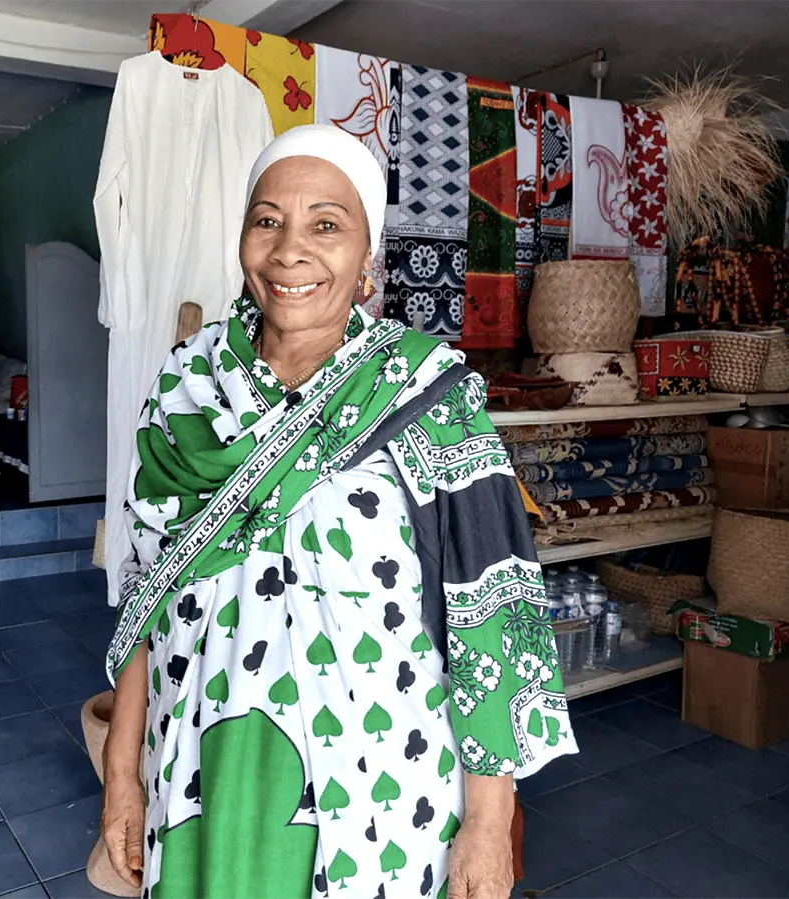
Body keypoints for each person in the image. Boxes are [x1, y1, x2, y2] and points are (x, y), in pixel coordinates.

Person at [101, 124, 577, 899]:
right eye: (267, 220)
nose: (291, 250)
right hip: (195, 766)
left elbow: (495, 614)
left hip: (376, 786)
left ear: (367, 259)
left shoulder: (425, 396)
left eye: (327, 224)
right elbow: (147, 599)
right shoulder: (185, 389)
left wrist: (488, 823)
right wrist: (123, 778)